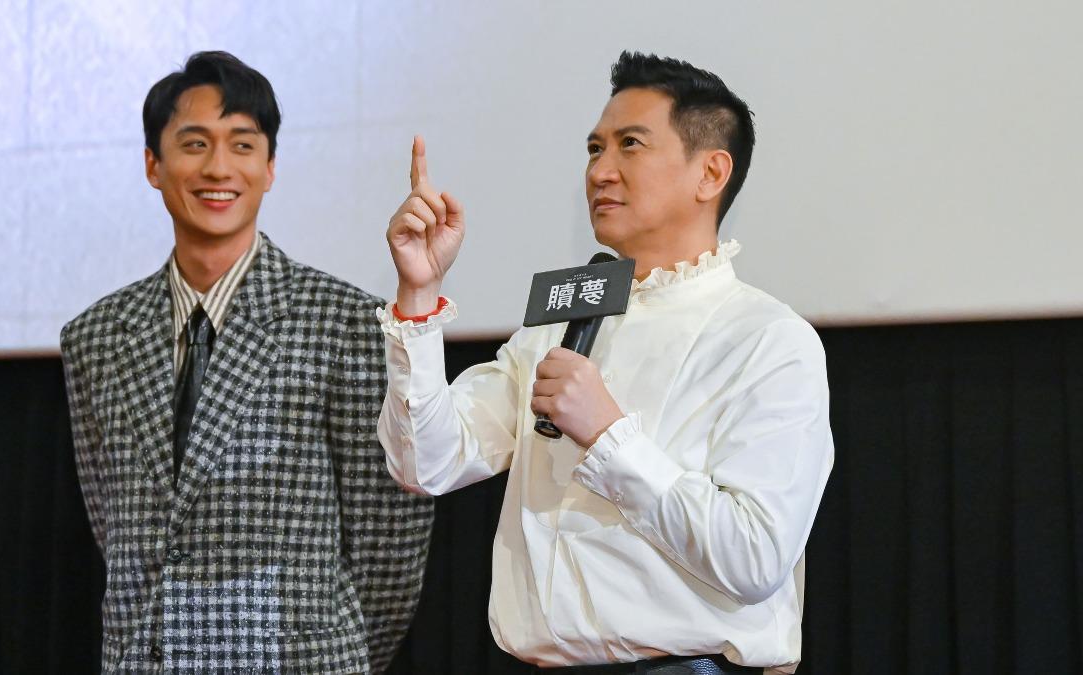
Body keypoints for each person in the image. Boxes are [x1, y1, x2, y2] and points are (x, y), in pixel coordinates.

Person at [377, 51, 834, 674]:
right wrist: (419, 295)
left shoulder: (768, 338)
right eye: (595, 149)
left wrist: (609, 436)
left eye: (630, 145)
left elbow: (754, 557)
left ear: (710, 173)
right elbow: (424, 463)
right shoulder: (561, 325)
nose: (600, 171)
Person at [60, 51, 433, 673]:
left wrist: (330, 653)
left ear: (270, 167)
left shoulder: (344, 324)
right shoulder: (95, 338)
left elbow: (388, 537)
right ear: (153, 164)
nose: (218, 167)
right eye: (194, 144)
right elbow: (114, 524)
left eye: (242, 144)